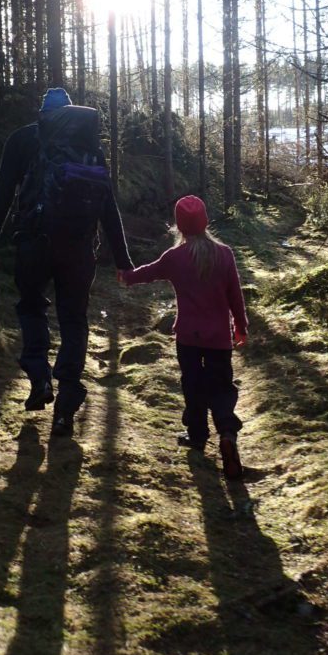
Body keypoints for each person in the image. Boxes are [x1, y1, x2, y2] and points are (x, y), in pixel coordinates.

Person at [0, 87, 133, 437]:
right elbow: (107, 205)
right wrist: (123, 260)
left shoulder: (22, 140)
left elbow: (1, 195)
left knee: (31, 307)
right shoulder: (89, 144)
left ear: (43, 113)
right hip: (79, 249)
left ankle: (39, 377)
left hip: (34, 242)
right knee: (74, 319)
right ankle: (65, 406)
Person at [118, 195, 248, 479]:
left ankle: (198, 437)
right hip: (218, 339)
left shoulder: (174, 257)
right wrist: (241, 325)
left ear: (179, 226)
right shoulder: (224, 254)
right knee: (222, 387)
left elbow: (147, 273)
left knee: (192, 385)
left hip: (188, 337)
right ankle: (226, 433)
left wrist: (126, 276)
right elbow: (235, 295)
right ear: (205, 222)